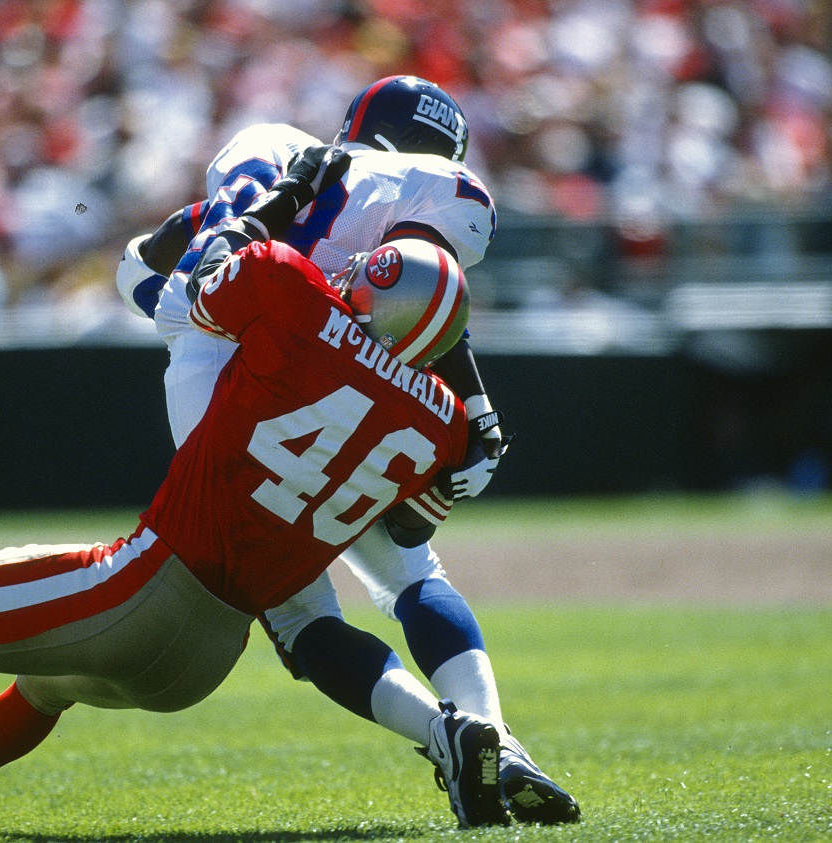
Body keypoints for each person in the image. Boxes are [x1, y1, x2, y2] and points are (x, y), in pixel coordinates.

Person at [0, 145, 509, 835]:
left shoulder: (291, 290)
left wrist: (284, 196)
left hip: (140, 587)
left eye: (371, 273)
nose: (354, 267)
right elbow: (405, 531)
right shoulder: (436, 421)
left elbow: (196, 284)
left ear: (380, 298)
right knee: (45, 684)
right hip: (208, 657)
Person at [117, 76, 579, 825]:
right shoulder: (446, 194)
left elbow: (144, 274)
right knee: (411, 572)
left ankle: (443, 733)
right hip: (349, 388)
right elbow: (414, 293)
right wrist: (477, 407)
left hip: (231, 376)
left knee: (298, 614)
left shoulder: (279, 165)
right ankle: (496, 735)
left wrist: (212, 254)